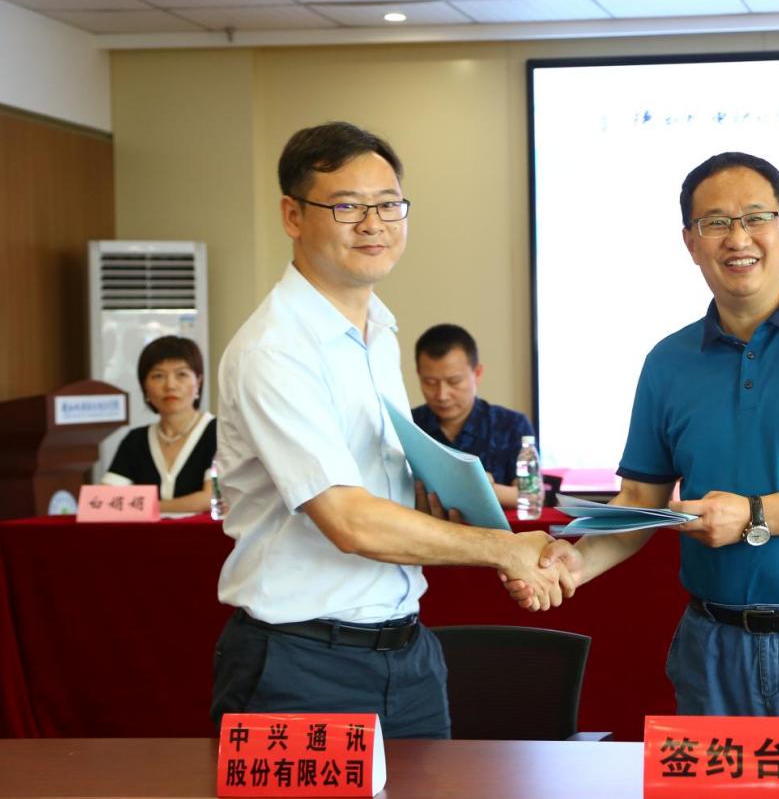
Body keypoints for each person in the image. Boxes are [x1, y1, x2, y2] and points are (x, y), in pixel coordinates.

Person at [512, 151, 779, 747]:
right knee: (714, 795)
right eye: (716, 223)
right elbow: (640, 499)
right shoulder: (668, 362)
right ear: (690, 242)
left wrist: (755, 515)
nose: (738, 238)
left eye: (756, 217)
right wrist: (576, 562)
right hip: (715, 649)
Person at [210, 121, 568, 739]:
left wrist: (454, 508)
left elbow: (378, 491)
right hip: (302, 665)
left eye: (388, 204)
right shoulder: (276, 349)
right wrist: (503, 547)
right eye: (347, 206)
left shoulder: (377, 329)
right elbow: (349, 520)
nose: (373, 224)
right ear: (292, 215)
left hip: (407, 652)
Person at [412, 324, 535, 510]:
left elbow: (532, 496)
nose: (442, 395)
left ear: (477, 373)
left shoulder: (511, 425)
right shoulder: (410, 425)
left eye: (454, 381)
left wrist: (484, 489)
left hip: (491, 528)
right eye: (430, 382)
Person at [101, 335, 218, 515]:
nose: (170, 385)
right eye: (158, 376)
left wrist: (142, 507)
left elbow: (211, 497)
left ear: (198, 382)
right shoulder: (135, 441)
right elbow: (104, 499)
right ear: (145, 387)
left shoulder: (219, 432)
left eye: (181, 374)